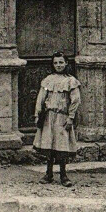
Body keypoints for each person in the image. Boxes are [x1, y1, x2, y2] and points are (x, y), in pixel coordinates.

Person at [33, 51, 81, 187]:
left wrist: (71, 117)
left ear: (66, 63)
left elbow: (76, 100)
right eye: (55, 63)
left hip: (62, 117)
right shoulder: (48, 80)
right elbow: (40, 99)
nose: (58, 65)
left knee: (61, 146)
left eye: (61, 62)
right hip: (49, 117)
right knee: (49, 145)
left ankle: (63, 175)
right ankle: (48, 174)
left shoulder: (71, 81)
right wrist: (37, 114)